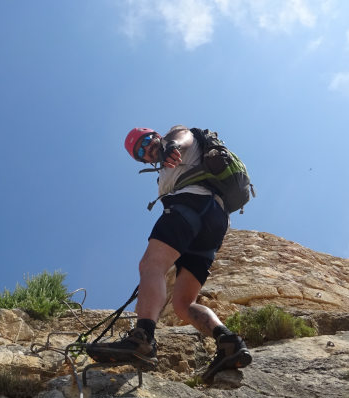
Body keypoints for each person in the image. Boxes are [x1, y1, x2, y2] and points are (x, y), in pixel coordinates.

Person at [85, 125, 251, 382]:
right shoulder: (165, 171)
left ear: (156, 135)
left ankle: (142, 338)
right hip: (213, 224)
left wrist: (172, 146)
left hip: (190, 206)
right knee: (183, 304)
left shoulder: (174, 139)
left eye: (146, 141)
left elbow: (182, 137)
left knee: (151, 265)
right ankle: (229, 343)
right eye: (141, 152)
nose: (147, 149)